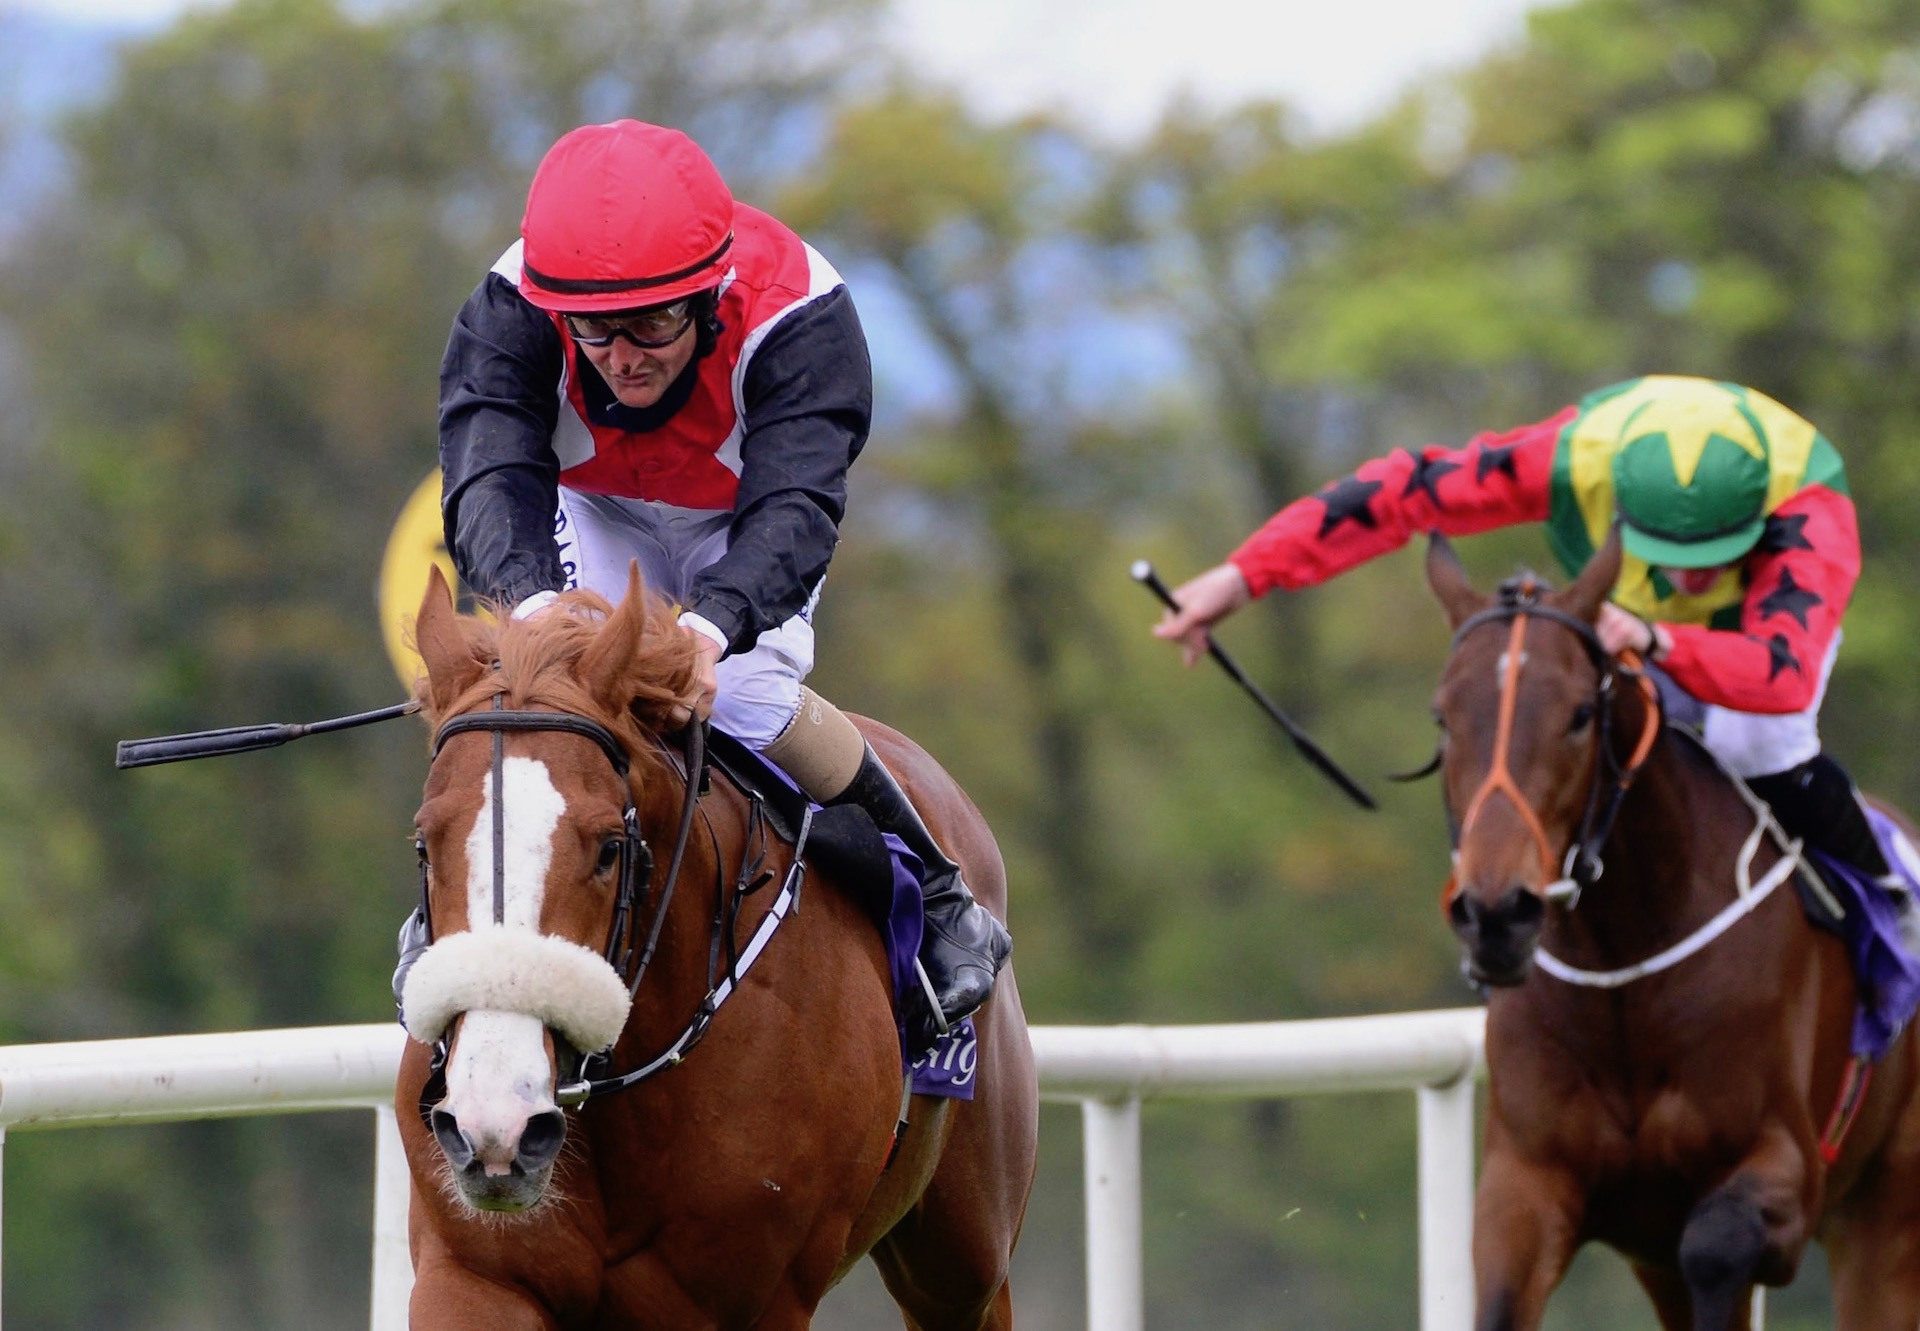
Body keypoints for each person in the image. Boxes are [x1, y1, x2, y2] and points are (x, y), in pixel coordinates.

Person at [402, 119, 1009, 1047]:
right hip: (597, 506)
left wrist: (712, 631)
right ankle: (442, 915)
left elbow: (797, 507)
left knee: (747, 694)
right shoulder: (512, 307)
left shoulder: (799, 313)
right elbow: (488, 476)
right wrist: (534, 618)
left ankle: (937, 885)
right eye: (595, 332)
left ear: (711, 298)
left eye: (651, 325)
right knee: (534, 705)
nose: (622, 354)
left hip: (748, 519)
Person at [1153, 373, 1920, 945]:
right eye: (1669, 553)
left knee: (1753, 741)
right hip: (1623, 618)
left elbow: (1779, 679)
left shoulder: (1811, 507)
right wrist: (1244, 574)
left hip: (1746, 647)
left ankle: (1892, 895)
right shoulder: (1565, 458)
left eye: (1712, 557)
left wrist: (1663, 638)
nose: (1687, 579)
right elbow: (1399, 494)